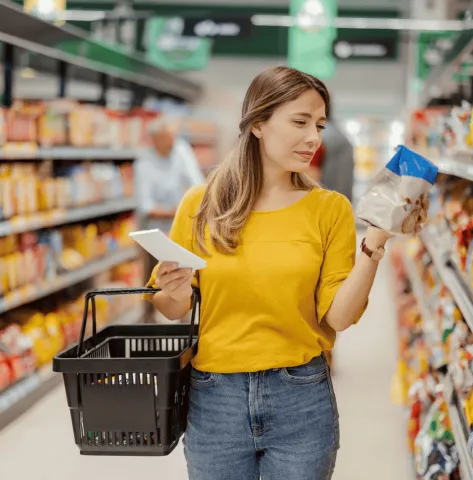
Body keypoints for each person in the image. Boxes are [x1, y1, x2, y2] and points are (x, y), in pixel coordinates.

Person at [143, 66, 423, 480]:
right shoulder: (202, 204)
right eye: (300, 121)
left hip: (302, 398)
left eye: (320, 124)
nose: (314, 137)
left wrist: (376, 242)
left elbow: (339, 317)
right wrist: (175, 288)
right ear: (258, 122)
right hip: (215, 397)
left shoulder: (329, 209)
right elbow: (171, 307)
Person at [134, 117, 205, 284]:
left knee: (186, 277)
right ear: (154, 139)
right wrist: (174, 212)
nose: (171, 141)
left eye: (173, 136)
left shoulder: (181, 150)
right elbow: (146, 207)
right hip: (156, 233)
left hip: (183, 226)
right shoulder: (143, 164)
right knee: (156, 280)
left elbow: (197, 182)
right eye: (166, 137)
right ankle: (150, 308)